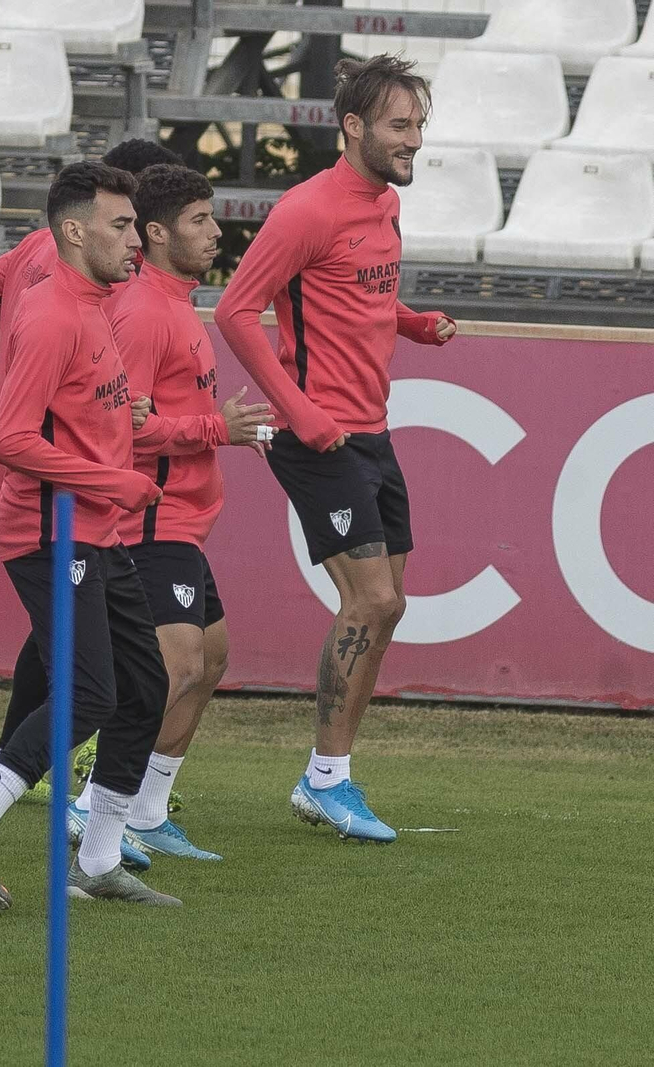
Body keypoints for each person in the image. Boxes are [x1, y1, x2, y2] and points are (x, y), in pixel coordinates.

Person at [0, 162, 177, 910]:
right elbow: (9, 439)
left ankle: (97, 861)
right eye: (123, 225)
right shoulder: (52, 312)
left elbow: (85, 402)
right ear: (74, 229)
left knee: (145, 685)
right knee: (90, 692)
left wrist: (127, 420)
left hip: (95, 528)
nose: (137, 239)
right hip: (49, 532)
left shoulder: (94, 303)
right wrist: (112, 479)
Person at [214, 55, 457, 843]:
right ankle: (325, 779)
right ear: (352, 127)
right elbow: (235, 312)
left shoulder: (383, 202)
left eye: (419, 125)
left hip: (370, 430)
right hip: (316, 435)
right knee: (374, 600)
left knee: (393, 603)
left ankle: (329, 777)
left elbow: (363, 295)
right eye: (400, 125)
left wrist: (416, 323)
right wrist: (300, 413)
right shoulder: (305, 211)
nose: (414, 140)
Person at [63, 164, 273, 861]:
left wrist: (215, 424)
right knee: (173, 668)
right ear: (156, 233)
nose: (216, 231)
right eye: (198, 221)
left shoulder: (177, 303)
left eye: (213, 218)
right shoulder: (145, 311)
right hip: (150, 516)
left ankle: (147, 809)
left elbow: (162, 410)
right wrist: (218, 429)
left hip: (184, 517)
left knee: (208, 660)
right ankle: (95, 809)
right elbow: (120, 426)